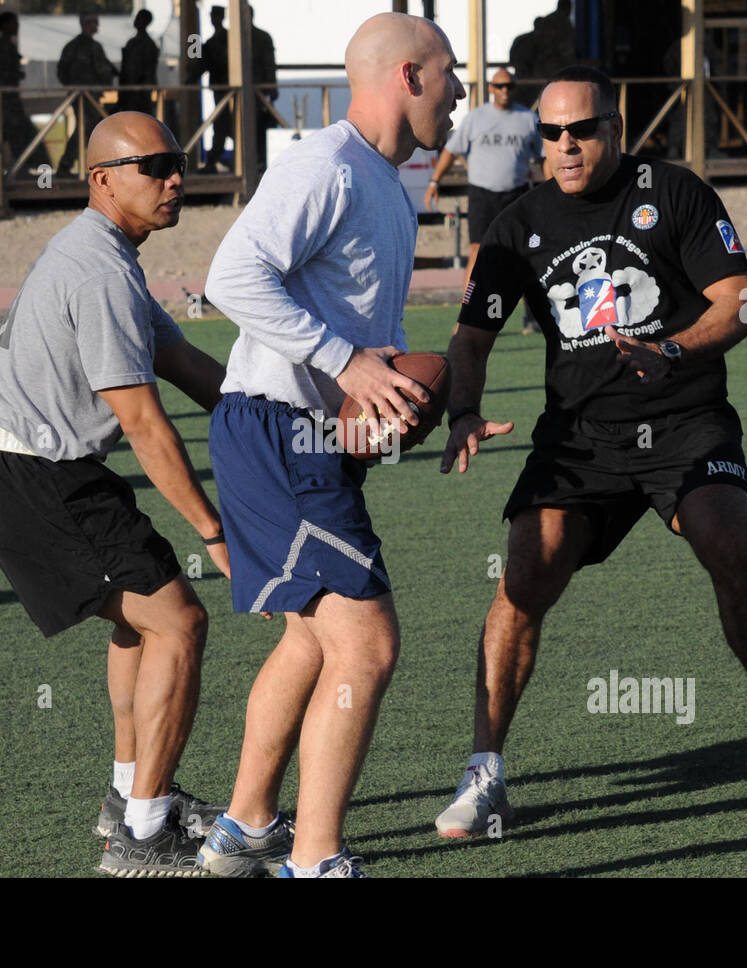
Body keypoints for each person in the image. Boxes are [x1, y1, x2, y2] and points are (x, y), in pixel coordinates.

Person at [435, 66, 747, 838]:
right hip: (579, 436)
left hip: (683, 414)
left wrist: (674, 351)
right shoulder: (517, 224)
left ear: (615, 127)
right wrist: (463, 411)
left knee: (726, 537)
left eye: (581, 129)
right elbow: (471, 335)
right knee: (524, 572)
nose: (566, 145)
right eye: (550, 133)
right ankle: (484, 773)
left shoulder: (674, 191)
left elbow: (742, 299)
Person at [196, 12, 465, 879]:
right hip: (277, 431)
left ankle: (241, 831)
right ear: (410, 78)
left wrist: (423, 404)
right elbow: (231, 278)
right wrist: (349, 362)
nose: (461, 91)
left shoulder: (391, 182)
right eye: (451, 73)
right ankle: (315, 863)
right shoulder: (324, 162)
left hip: (306, 437)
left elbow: (364, 348)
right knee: (369, 645)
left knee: (312, 640)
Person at [0, 112, 230, 878]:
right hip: (35, 478)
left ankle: (129, 798)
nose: (174, 177)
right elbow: (143, 423)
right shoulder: (102, 269)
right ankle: (143, 840)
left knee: (145, 622)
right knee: (181, 621)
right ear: (102, 179)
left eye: (178, 162)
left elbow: (182, 361)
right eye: (154, 165)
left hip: (41, 471)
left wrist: (289, 417)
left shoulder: (106, 253)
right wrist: (213, 530)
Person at [425, 67, 542, 334]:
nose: (504, 91)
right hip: (482, 193)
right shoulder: (477, 118)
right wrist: (434, 182)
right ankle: (467, 316)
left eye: (509, 86)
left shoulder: (526, 118)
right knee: (477, 254)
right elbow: (451, 152)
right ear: (491, 88)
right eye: (500, 86)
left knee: (524, 255)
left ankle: (532, 315)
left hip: (516, 193)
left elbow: (545, 157)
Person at [56, 12, 117, 176]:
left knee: (91, 130)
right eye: (93, 23)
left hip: (87, 96)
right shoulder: (84, 47)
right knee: (87, 129)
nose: (96, 26)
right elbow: (103, 70)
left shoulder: (78, 46)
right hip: (85, 96)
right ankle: (67, 165)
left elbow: (107, 69)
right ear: (86, 24)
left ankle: (97, 166)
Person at [0, 12, 39, 166]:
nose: (16, 27)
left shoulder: (8, 45)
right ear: (5, 25)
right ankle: (21, 166)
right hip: (7, 99)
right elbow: (3, 71)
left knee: (13, 133)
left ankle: (20, 166)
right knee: (15, 133)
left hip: (11, 97)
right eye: (13, 23)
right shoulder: (2, 46)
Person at [194, 7, 232, 172]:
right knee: (222, 125)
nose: (212, 19)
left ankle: (217, 161)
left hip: (229, 89)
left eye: (215, 16)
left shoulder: (227, 38)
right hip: (220, 90)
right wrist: (192, 38)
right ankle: (213, 161)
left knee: (228, 125)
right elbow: (197, 61)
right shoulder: (211, 42)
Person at [251, 7, 279, 170]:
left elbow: (269, 63)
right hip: (242, 93)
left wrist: (271, 87)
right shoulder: (229, 37)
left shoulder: (261, 37)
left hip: (258, 92)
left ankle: (260, 160)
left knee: (260, 127)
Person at [118, 9, 159, 115]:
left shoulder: (148, 45)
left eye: (140, 18)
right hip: (128, 92)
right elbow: (125, 69)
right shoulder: (132, 43)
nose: (136, 20)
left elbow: (148, 70)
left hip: (141, 94)